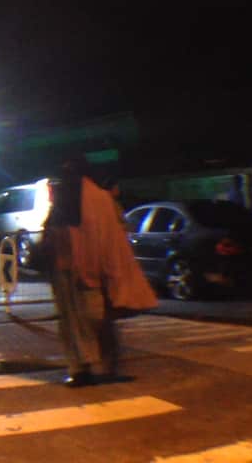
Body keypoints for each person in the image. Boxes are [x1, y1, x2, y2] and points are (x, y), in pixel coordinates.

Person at [38, 157, 156, 387]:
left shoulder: (73, 200)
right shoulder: (96, 199)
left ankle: (84, 367)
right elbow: (111, 239)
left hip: (75, 273)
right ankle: (96, 367)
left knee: (81, 322)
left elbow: (56, 236)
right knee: (93, 321)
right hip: (82, 272)